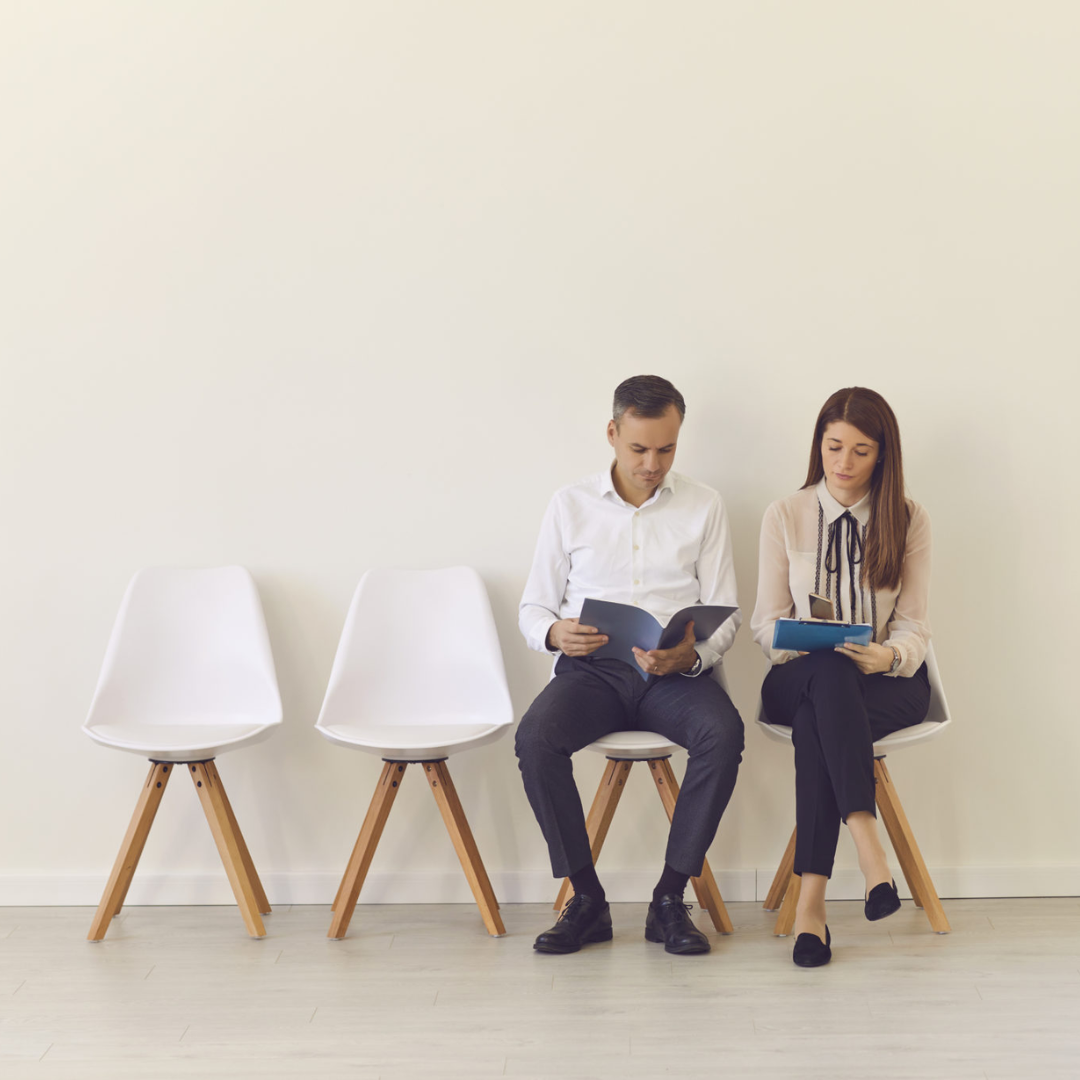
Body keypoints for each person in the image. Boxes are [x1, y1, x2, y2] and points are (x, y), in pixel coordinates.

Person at [516, 375, 743, 956]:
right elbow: (533, 607)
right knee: (537, 738)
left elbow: (727, 615)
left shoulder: (705, 505)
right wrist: (554, 631)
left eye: (666, 449)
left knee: (723, 733)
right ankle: (586, 899)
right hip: (593, 672)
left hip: (672, 675)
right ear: (613, 434)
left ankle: (670, 898)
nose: (652, 463)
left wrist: (693, 654)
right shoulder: (569, 505)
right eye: (639, 449)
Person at [750, 387, 932, 967]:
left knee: (821, 723)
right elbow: (764, 624)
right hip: (796, 676)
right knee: (825, 670)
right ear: (819, 445)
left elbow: (915, 625)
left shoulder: (908, 518)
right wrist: (806, 643)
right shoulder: (785, 514)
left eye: (860, 451)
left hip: (883, 683)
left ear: (883, 455)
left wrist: (890, 656)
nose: (843, 463)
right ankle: (868, 844)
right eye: (833, 447)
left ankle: (812, 909)